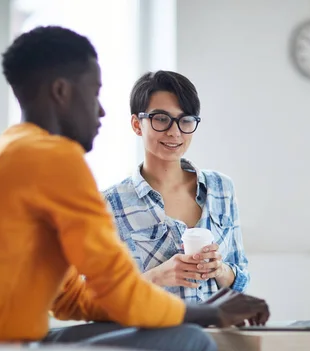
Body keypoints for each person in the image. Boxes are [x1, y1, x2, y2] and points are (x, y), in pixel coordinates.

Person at [0, 26, 269, 351]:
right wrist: (210, 313)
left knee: (146, 330)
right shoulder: (54, 158)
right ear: (62, 92)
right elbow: (119, 289)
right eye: (94, 93)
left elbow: (68, 298)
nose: (100, 110)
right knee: (191, 341)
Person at [103, 71, 249, 303]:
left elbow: (241, 281)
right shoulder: (110, 204)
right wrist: (157, 277)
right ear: (136, 124)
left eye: (186, 120)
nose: (175, 131)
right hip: (153, 337)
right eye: (161, 118)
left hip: (215, 336)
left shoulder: (221, 189)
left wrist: (219, 270)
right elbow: (98, 298)